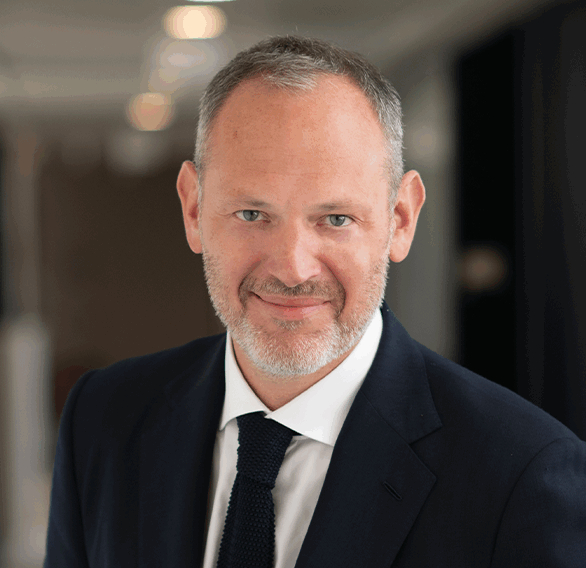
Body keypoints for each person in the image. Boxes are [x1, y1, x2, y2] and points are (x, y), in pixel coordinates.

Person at [45, 36, 586, 568]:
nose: (293, 269)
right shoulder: (103, 419)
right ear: (193, 209)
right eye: (252, 214)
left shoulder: (523, 476)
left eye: (336, 219)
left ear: (401, 220)